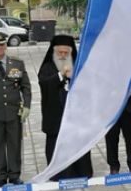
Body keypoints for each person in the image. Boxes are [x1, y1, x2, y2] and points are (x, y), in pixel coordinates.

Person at [38, 35, 93, 180]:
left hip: (76, 115)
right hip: (55, 115)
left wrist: (74, 77)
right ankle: (59, 173)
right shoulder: (47, 67)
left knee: (77, 143)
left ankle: (81, 171)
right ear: (53, 52)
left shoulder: (78, 66)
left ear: (71, 52)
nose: (63, 56)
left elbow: (88, 87)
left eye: (66, 53)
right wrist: (61, 75)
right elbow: (44, 84)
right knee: (56, 144)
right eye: (59, 52)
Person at [0, 32, 30, 186]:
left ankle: (14, 175)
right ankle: (1, 176)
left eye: (2, 44)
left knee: (14, 144)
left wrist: (26, 106)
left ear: (6, 45)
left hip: (13, 112)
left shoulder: (17, 63)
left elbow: (26, 87)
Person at [105, 57, 131, 177]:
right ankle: (113, 166)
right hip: (110, 104)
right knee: (111, 137)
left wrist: (130, 91)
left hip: (130, 102)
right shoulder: (103, 55)